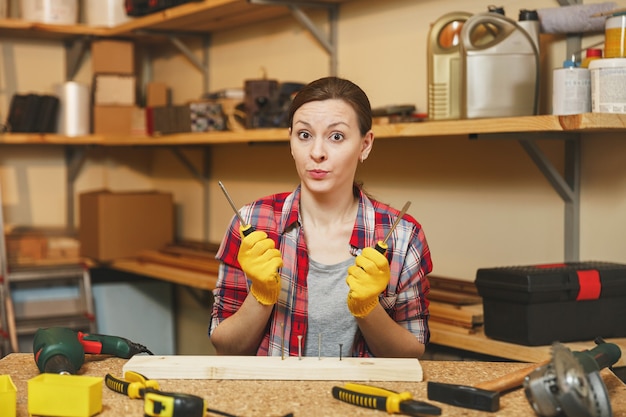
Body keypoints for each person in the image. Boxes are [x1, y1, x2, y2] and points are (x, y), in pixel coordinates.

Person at [209, 76, 432, 358]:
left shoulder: (402, 236)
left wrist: (368, 308)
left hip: (364, 399)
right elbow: (225, 348)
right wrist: (261, 296)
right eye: (304, 135)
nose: (316, 153)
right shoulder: (252, 222)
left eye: (336, 136)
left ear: (365, 145)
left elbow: (410, 355)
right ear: (290, 141)